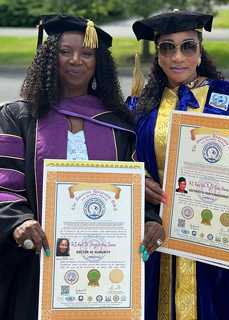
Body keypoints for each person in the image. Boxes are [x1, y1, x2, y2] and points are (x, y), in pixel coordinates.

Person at [0, 15, 162, 320]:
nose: (76, 60)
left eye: (87, 53)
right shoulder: (20, 117)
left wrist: (150, 219)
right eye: (65, 52)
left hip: (105, 266)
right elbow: (4, 182)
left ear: (98, 62)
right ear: (49, 57)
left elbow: (135, 186)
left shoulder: (117, 124)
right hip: (37, 263)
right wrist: (19, 222)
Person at [129, 10, 229, 320]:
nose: (177, 56)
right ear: (157, 56)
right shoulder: (142, 105)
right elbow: (122, 161)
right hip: (159, 234)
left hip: (216, 239)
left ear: (200, 51)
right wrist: (137, 182)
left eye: (188, 46)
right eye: (167, 47)